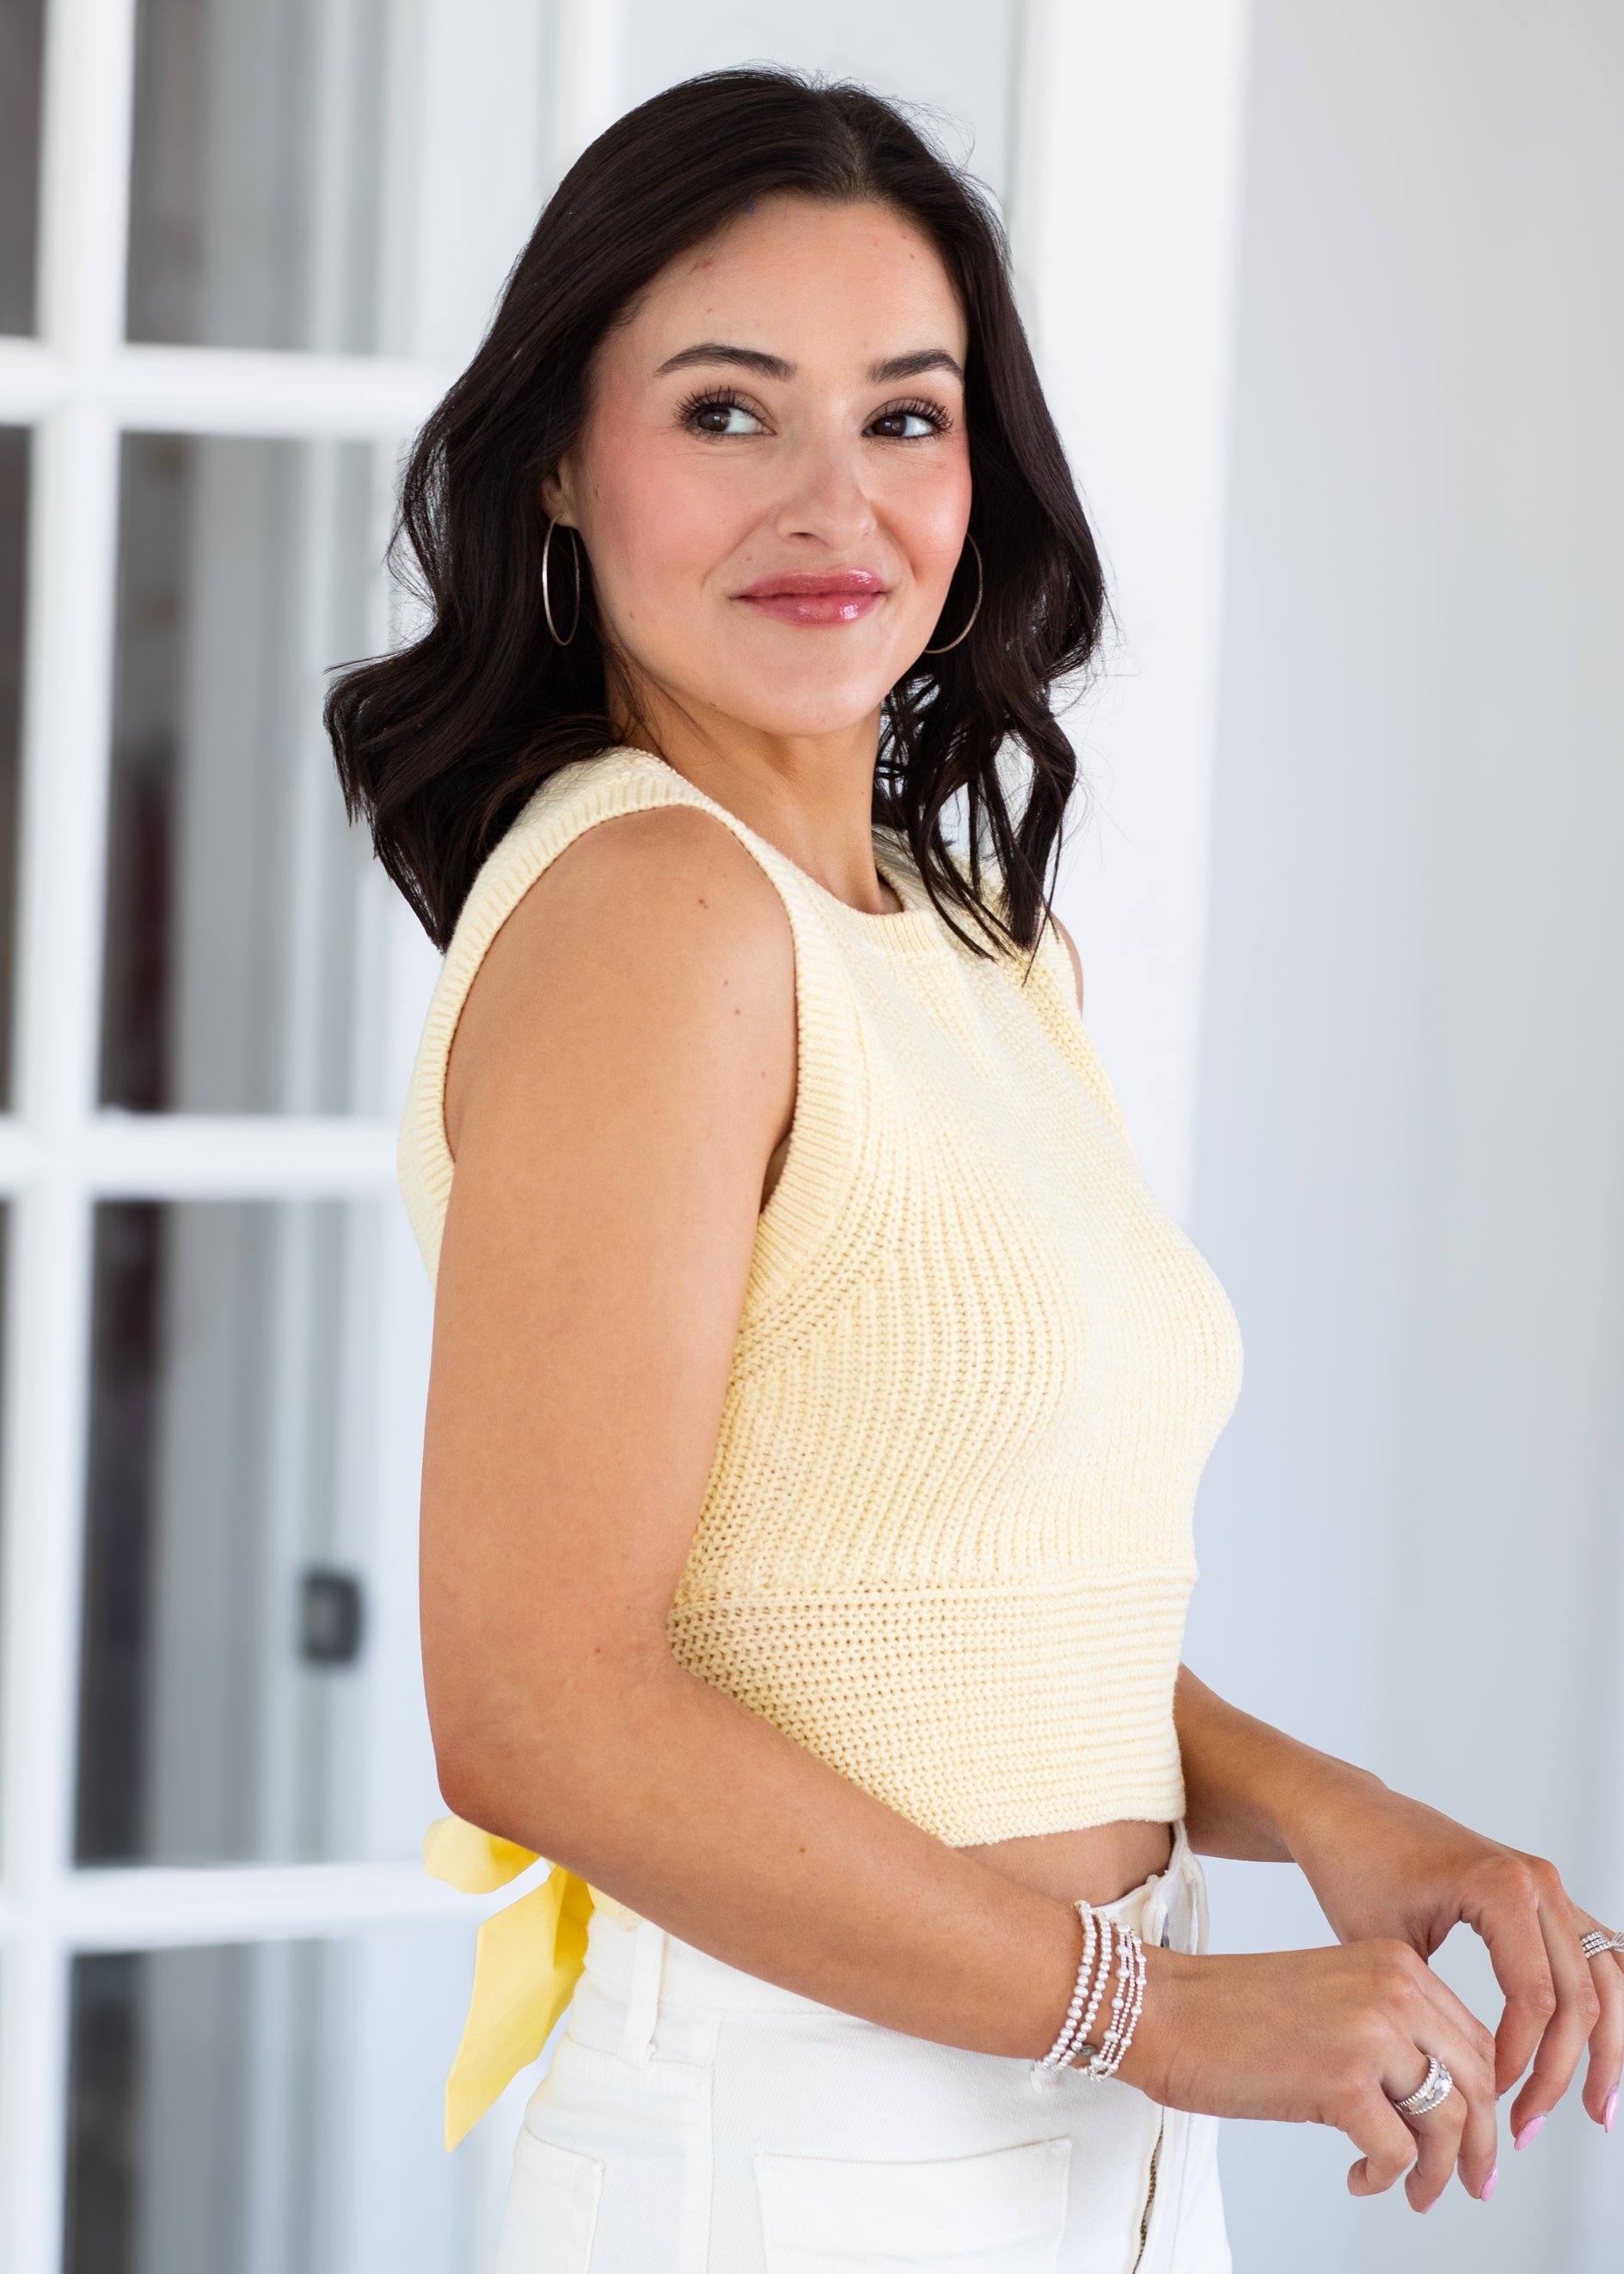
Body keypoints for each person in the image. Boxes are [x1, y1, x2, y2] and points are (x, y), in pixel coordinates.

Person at [327, 68, 1621, 2274]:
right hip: (815, 2145)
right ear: (560, 458)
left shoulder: (962, 934)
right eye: (729, 412)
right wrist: (1156, 2006)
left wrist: (1329, 1814)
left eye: (905, 418)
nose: (835, 503)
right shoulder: (661, 921)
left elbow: (950, 1629)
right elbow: (537, 1706)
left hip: (1068, 2144)